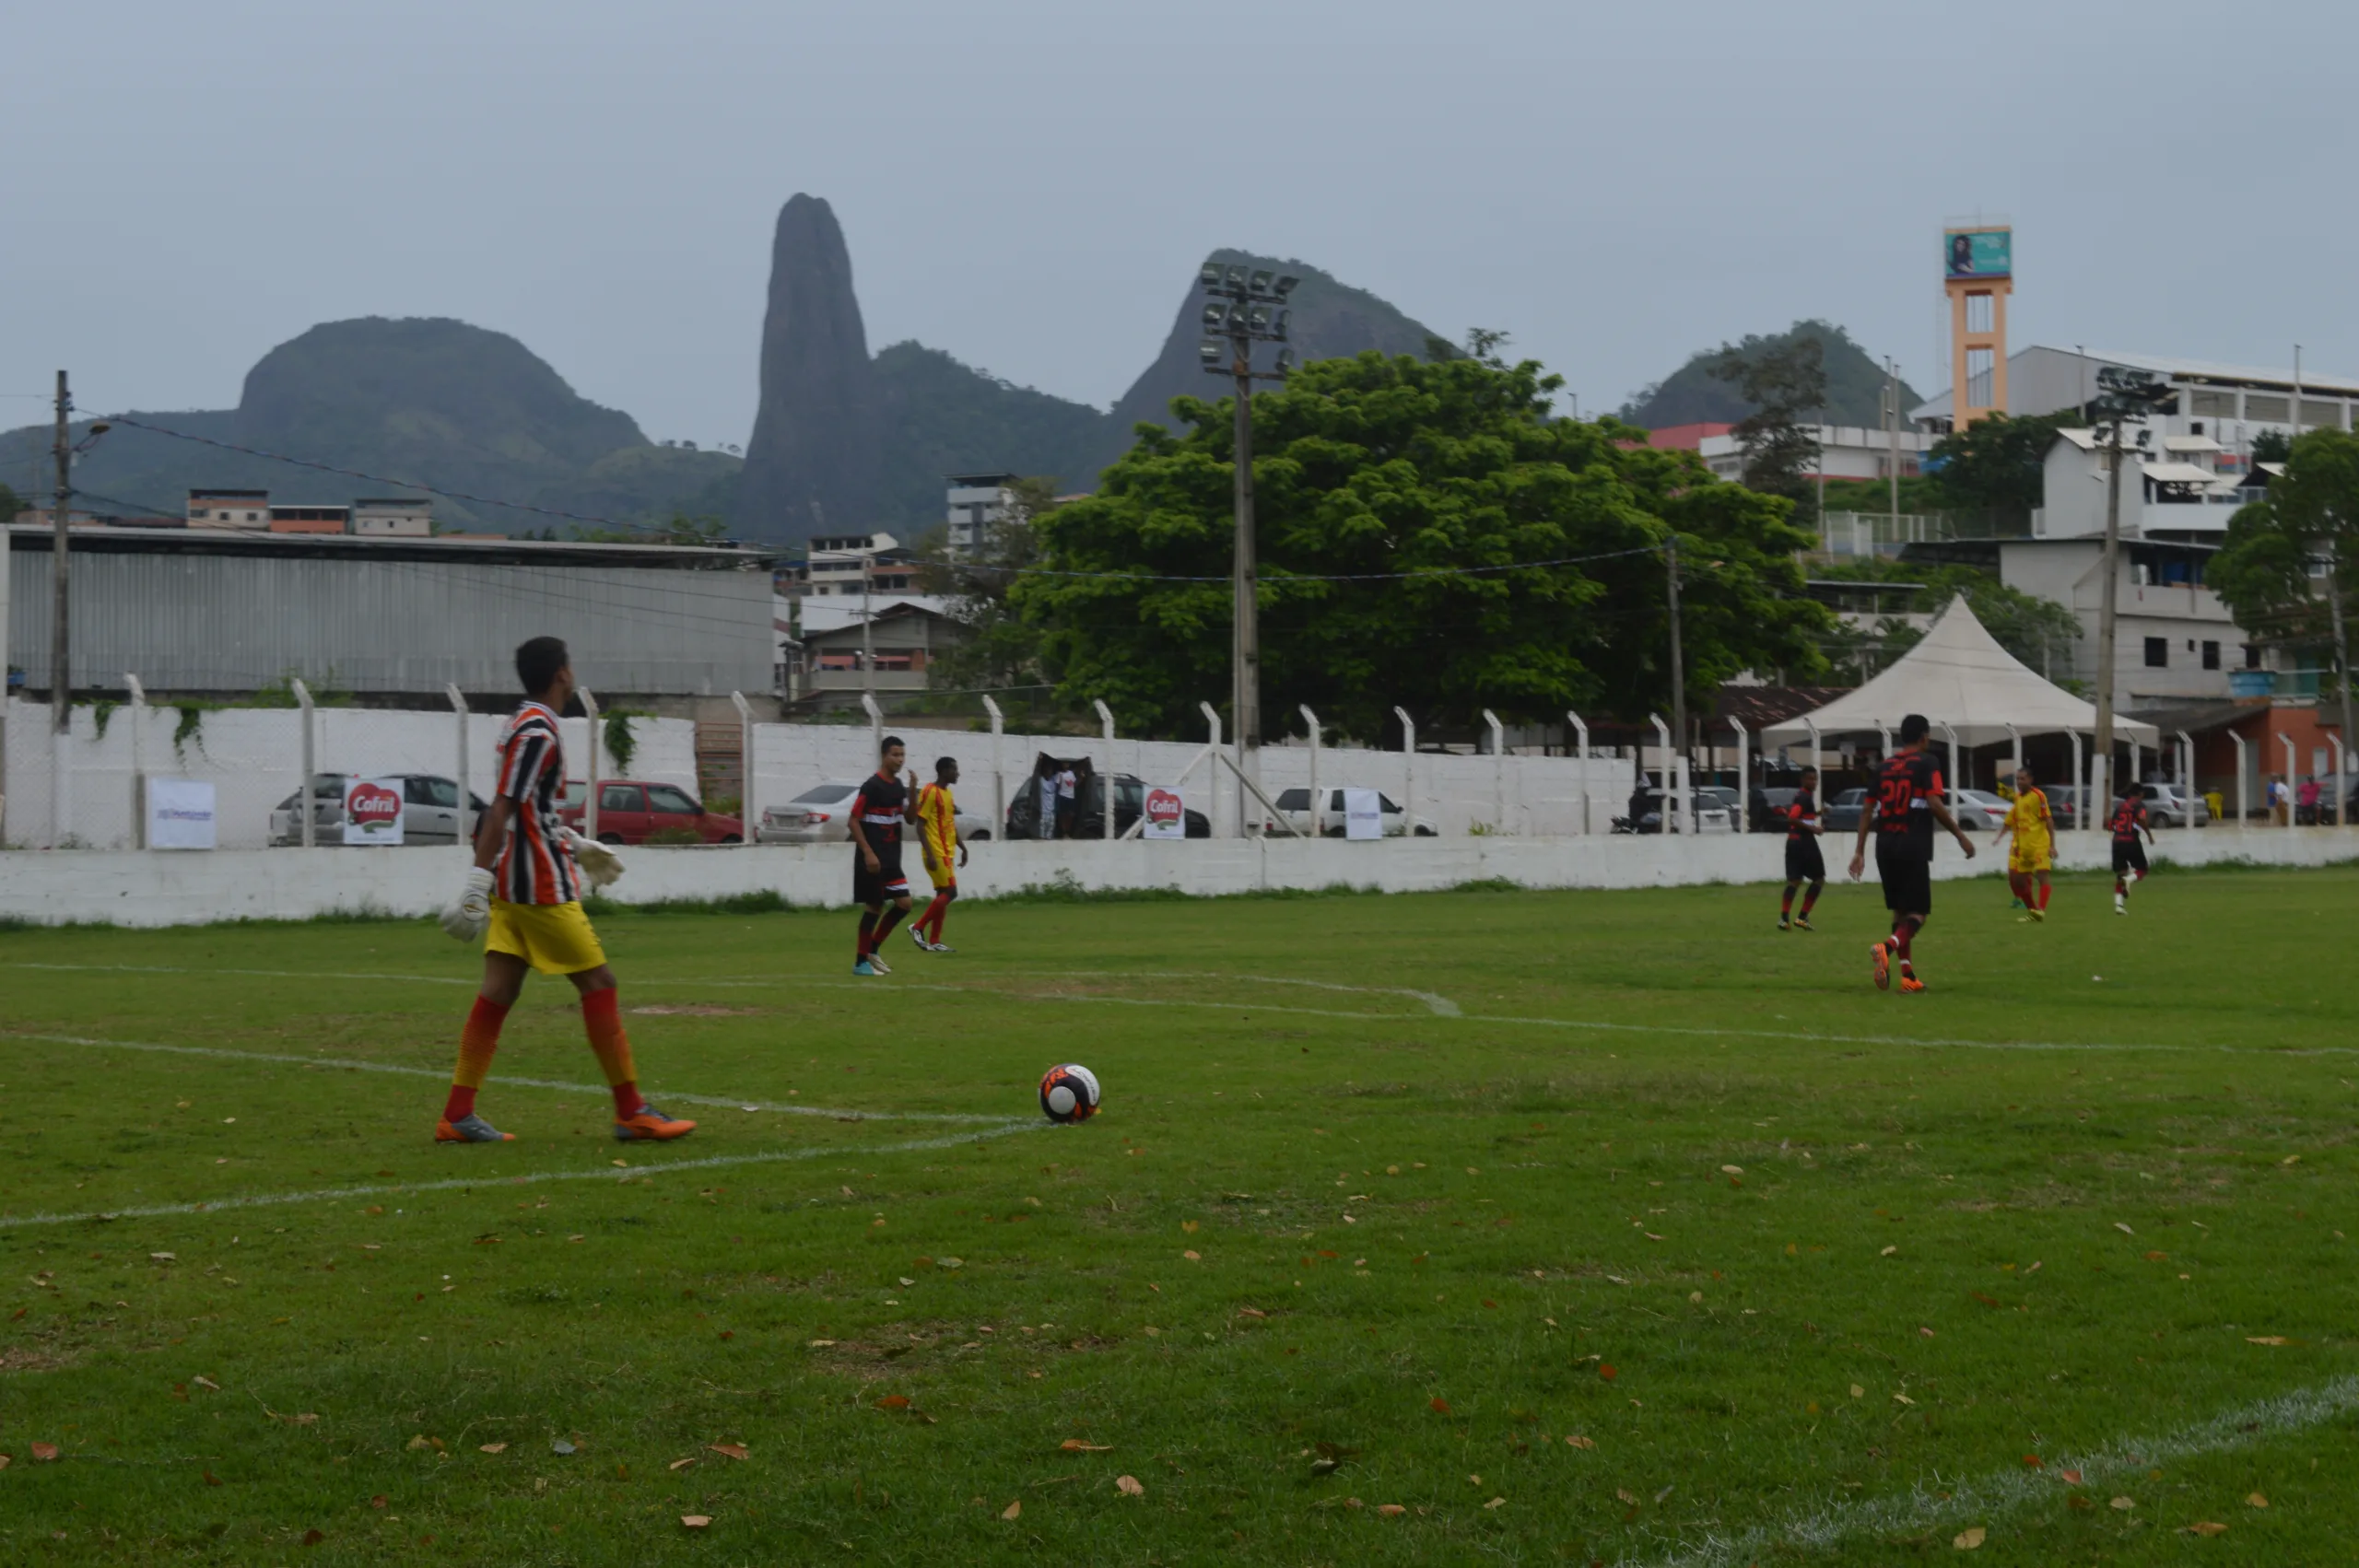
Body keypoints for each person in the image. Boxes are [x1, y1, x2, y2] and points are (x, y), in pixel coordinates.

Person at [432, 637, 695, 1145]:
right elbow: (502, 809)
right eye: (571, 666)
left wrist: (571, 841)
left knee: (498, 993)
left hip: (519, 882)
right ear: (562, 674)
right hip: (539, 890)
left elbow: (526, 809)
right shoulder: (538, 731)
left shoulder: (522, 723)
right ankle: (631, 1111)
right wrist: (474, 882)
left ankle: (457, 1115)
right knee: (600, 984)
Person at [1848, 714, 1977, 994]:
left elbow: (1868, 810)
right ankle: (1886, 948)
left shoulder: (1882, 767)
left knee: (1900, 911)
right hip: (1912, 843)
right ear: (1924, 736)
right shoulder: (1928, 762)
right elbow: (1934, 802)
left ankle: (1908, 977)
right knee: (1918, 913)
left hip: (1885, 845)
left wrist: (1859, 851)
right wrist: (1961, 835)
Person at [851, 735, 921, 975]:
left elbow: (910, 818)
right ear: (884, 756)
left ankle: (872, 949)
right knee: (875, 907)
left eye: (902, 755)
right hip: (873, 860)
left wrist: (912, 791)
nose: (900, 760)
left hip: (892, 858)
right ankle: (860, 963)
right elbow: (853, 820)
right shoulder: (872, 786)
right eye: (895, 755)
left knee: (904, 904)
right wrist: (868, 852)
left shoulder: (898, 786)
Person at [910, 755, 968, 953]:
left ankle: (935, 941)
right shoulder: (929, 792)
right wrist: (930, 853)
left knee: (942, 894)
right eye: (954, 769)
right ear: (943, 771)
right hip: (935, 851)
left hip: (947, 851)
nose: (957, 773)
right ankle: (917, 927)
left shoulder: (948, 794)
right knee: (951, 892)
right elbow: (920, 825)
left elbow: (950, 824)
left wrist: (963, 847)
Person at [1992, 766, 2055, 922]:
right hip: (2024, 847)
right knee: (2017, 880)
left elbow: (2048, 819)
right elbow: (2015, 822)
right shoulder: (2018, 798)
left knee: (2042, 876)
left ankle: (2041, 909)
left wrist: (2052, 845)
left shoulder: (2038, 796)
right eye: (2017, 779)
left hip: (2040, 844)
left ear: (2030, 780)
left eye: (2022, 778)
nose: (2019, 782)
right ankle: (2033, 911)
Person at [1777, 766, 1825, 931]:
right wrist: (1815, 830)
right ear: (1803, 780)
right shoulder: (1803, 797)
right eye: (1810, 779)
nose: (1814, 782)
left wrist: (1818, 813)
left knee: (1795, 881)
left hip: (1793, 842)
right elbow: (1792, 818)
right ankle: (1802, 917)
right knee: (1819, 878)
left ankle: (1784, 919)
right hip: (1804, 842)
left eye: (1815, 779)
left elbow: (1801, 816)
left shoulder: (1802, 797)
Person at [2110, 777, 2154, 915]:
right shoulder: (2139, 805)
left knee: (2120, 874)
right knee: (2142, 869)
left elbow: (2111, 826)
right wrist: (2149, 834)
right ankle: (2129, 880)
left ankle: (2119, 906)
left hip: (2117, 842)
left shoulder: (2119, 807)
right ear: (2140, 794)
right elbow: (2141, 819)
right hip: (2131, 841)